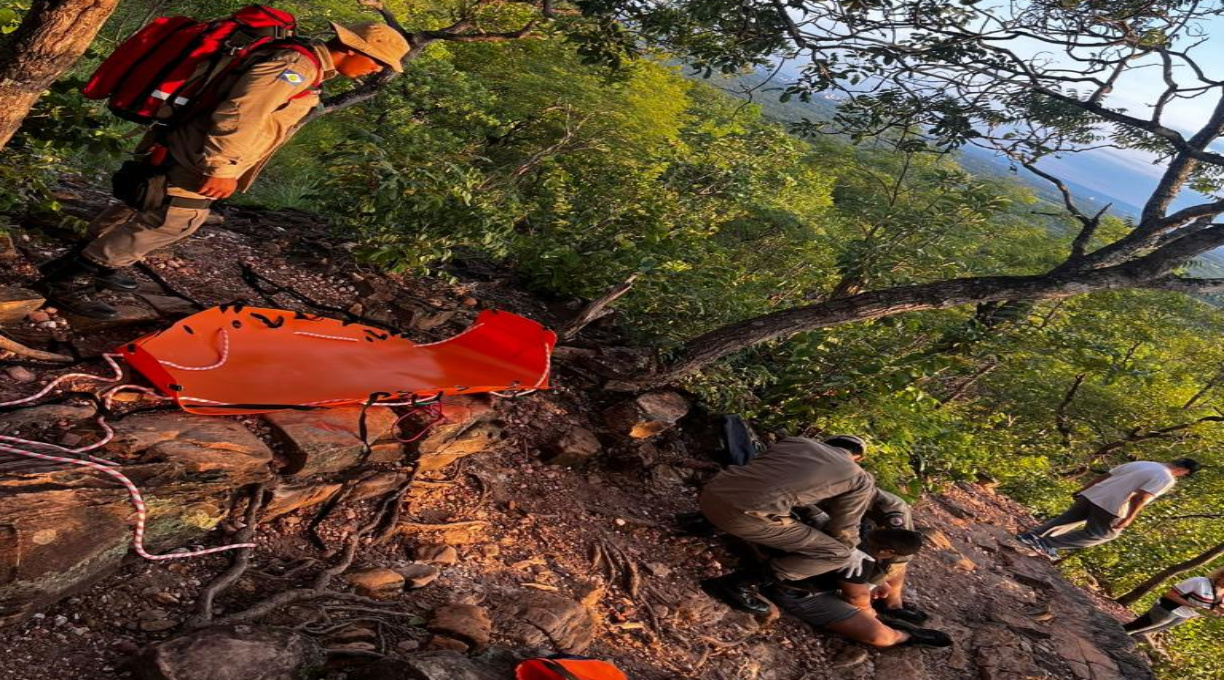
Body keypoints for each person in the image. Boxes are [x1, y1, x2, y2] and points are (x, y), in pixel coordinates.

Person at [37, 22, 411, 320]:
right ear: (350, 49)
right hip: (201, 153)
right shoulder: (294, 67)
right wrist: (222, 167)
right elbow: (241, 113)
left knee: (145, 204)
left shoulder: (304, 62)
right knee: (174, 219)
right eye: (376, 61)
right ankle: (73, 277)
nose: (374, 70)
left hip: (187, 142)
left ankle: (87, 261)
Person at [698, 434, 876, 614]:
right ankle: (737, 584)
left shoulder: (795, 441)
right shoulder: (859, 477)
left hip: (709, 495)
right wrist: (851, 547)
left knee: (761, 497)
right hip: (741, 519)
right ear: (858, 458)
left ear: (825, 443)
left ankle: (702, 523)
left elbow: (764, 480)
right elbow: (843, 526)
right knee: (837, 554)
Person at [764, 528, 952, 648]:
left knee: (894, 572)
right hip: (798, 592)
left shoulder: (857, 528)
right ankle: (904, 635)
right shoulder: (861, 560)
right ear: (887, 552)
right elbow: (856, 597)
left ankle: (893, 607)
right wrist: (869, 613)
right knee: (880, 637)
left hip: (808, 574)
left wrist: (875, 583)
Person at [1017, 458, 1201, 559]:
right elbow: (1141, 497)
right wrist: (1129, 517)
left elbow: (1106, 475)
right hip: (1113, 504)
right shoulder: (1166, 478)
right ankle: (1045, 544)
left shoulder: (1144, 463)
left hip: (1094, 494)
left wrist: (1084, 489)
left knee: (1067, 519)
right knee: (1103, 534)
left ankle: (1030, 537)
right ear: (1184, 471)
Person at [1123, 567, 1224, 636]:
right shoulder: (1199, 582)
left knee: (1141, 632)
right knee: (1133, 628)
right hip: (1167, 610)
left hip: (1183, 617)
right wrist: (1194, 606)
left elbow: (1213, 610)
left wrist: (1218, 612)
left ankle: (1113, 641)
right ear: (1221, 575)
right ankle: (1109, 638)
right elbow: (1170, 595)